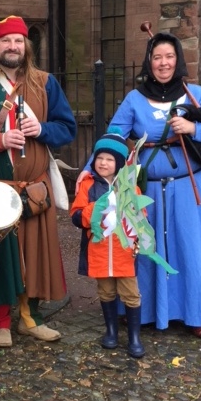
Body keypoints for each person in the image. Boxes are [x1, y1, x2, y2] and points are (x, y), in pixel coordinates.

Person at [77, 31, 201, 338]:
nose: (163, 63)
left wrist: (192, 127)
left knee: (190, 248)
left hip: (189, 187)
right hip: (147, 191)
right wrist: (90, 167)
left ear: (178, 59)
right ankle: (141, 311)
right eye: (157, 57)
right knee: (142, 248)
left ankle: (195, 312)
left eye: (169, 56)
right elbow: (113, 137)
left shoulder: (196, 93)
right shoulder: (135, 99)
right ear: (149, 61)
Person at [0, 15, 77, 348]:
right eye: (6, 41)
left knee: (36, 254)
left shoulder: (45, 82)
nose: (13, 46)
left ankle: (30, 318)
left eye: (19, 40)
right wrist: (0, 141)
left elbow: (67, 128)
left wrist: (42, 130)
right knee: (0, 256)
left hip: (36, 187)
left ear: (27, 46)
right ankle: (0, 322)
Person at [70, 127, 145, 358]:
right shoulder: (88, 186)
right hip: (99, 250)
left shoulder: (131, 187)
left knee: (131, 294)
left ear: (120, 163)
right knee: (106, 292)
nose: (103, 163)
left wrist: (137, 237)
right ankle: (111, 331)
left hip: (124, 252)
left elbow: (140, 217)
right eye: (99, 157)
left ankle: (134, 337)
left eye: (109, 159)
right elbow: (76, 216)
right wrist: (97, 207)